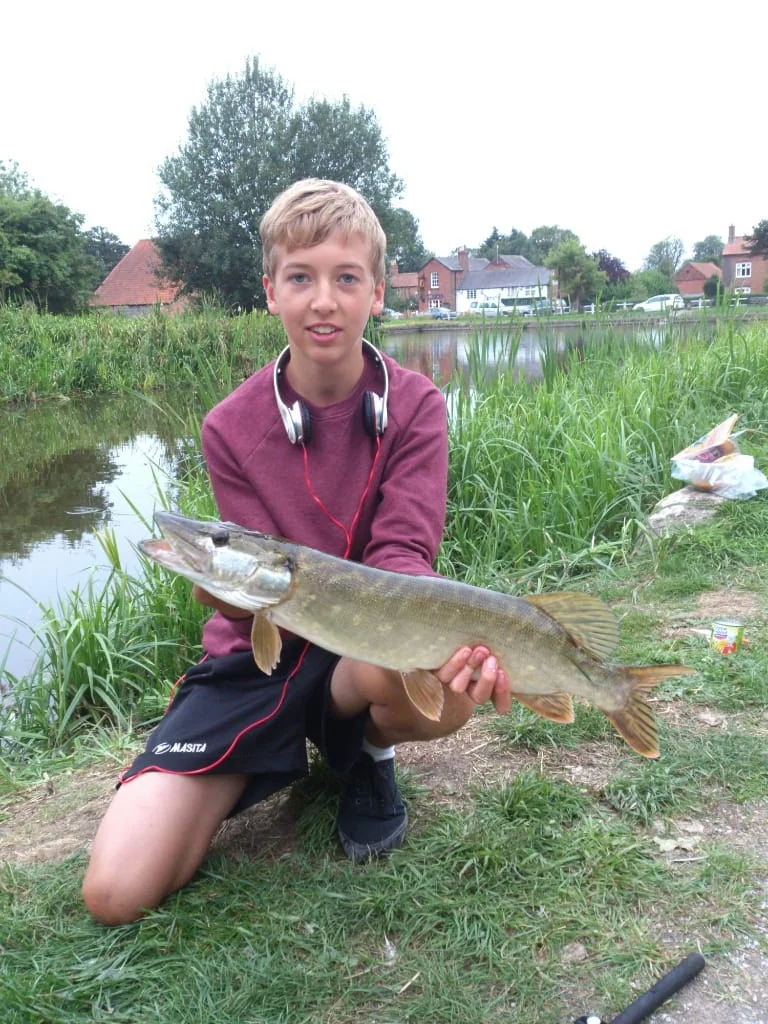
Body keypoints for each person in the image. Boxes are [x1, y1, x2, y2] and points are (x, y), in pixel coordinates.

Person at [82, 179, 511, 926]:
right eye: (301, 278)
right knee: (115, 893)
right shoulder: (228, 426)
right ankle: (273, 754)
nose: (324, 300)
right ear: (270, 292)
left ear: (378, 292)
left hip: (361, 649)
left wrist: (440, 635)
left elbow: (404, 552)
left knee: (438, 684)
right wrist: (217, 586)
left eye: (346, 279)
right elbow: (245, 574)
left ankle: (364, 755)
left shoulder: (415, 406)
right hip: (259, 656)